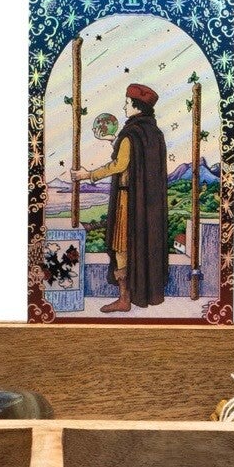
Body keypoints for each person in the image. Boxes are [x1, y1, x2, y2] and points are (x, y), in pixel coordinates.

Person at [71, 82, 169, 312]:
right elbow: (136, 158)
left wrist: (88, 175)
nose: (124, 107)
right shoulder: (153, 133)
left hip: (128, 202)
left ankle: (124, 299)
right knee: (143, 247)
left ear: (137, 107)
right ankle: (140, 294)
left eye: (127, 103)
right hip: (147, 205)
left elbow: (120, 164)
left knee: (121, 247)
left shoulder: (131, 134)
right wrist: (114, 140)